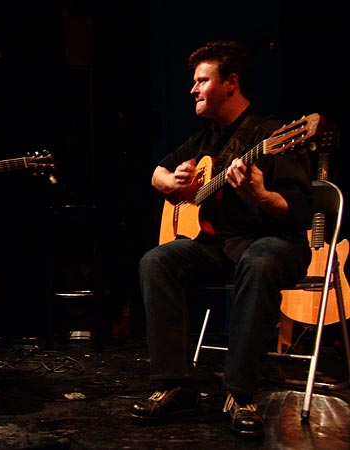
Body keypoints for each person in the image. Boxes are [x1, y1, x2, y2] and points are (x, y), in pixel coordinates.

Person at [130, 41, 313, 438]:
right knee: (157, 260)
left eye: (201, 81)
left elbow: (299, 210)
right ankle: (176, 384)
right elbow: (156, 174)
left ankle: (240, 393)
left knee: (260, 259)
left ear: (230, 83)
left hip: (273, 243)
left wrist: (260, 196)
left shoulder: (274, 134)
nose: (192, 90)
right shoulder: (206, 138)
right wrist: (175, 183)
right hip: (220, 247)